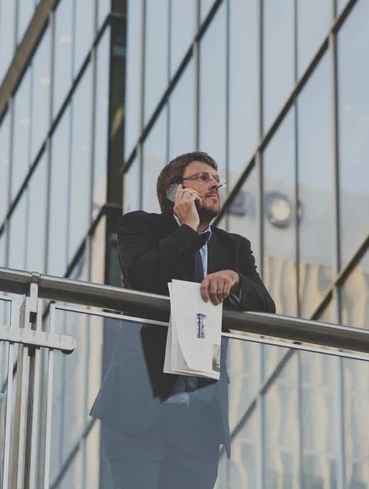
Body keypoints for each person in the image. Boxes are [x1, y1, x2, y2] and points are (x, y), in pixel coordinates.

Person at [90, 151, 276, 489]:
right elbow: (145, 278)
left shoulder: (234, 247)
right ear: (174, 190)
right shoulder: (138, 225)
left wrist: (234, 278)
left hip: (200, 419)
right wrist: (187, 228)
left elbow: (266, 307)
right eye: (203, 177)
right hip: (140, 407)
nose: (214, 184)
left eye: (216, 178)